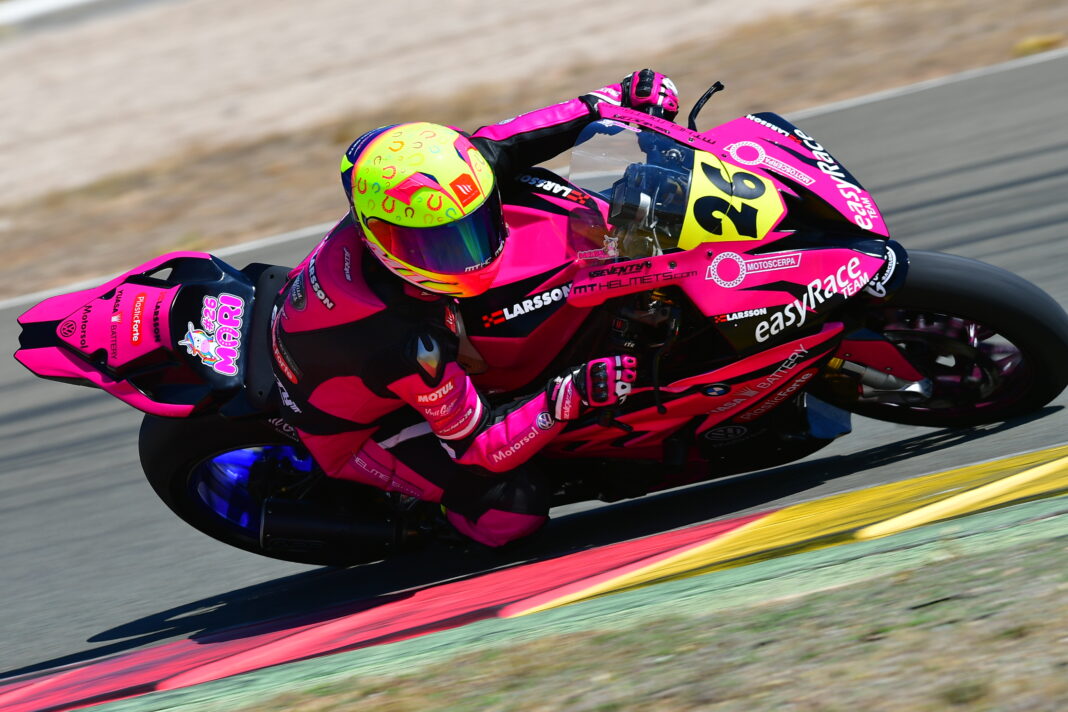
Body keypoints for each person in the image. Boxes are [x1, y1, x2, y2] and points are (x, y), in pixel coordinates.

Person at [270, 70, 679, 548]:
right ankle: (436, 518)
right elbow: (478, 446)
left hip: (367, 334)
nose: (468, 254)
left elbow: (514, 138)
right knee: (513, 510)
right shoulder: (404, 341)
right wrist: (567, 396)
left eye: (473, 227)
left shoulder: (436, 189)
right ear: (384, 239)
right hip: (362, 427)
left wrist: (617, 100)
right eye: (441, 245)